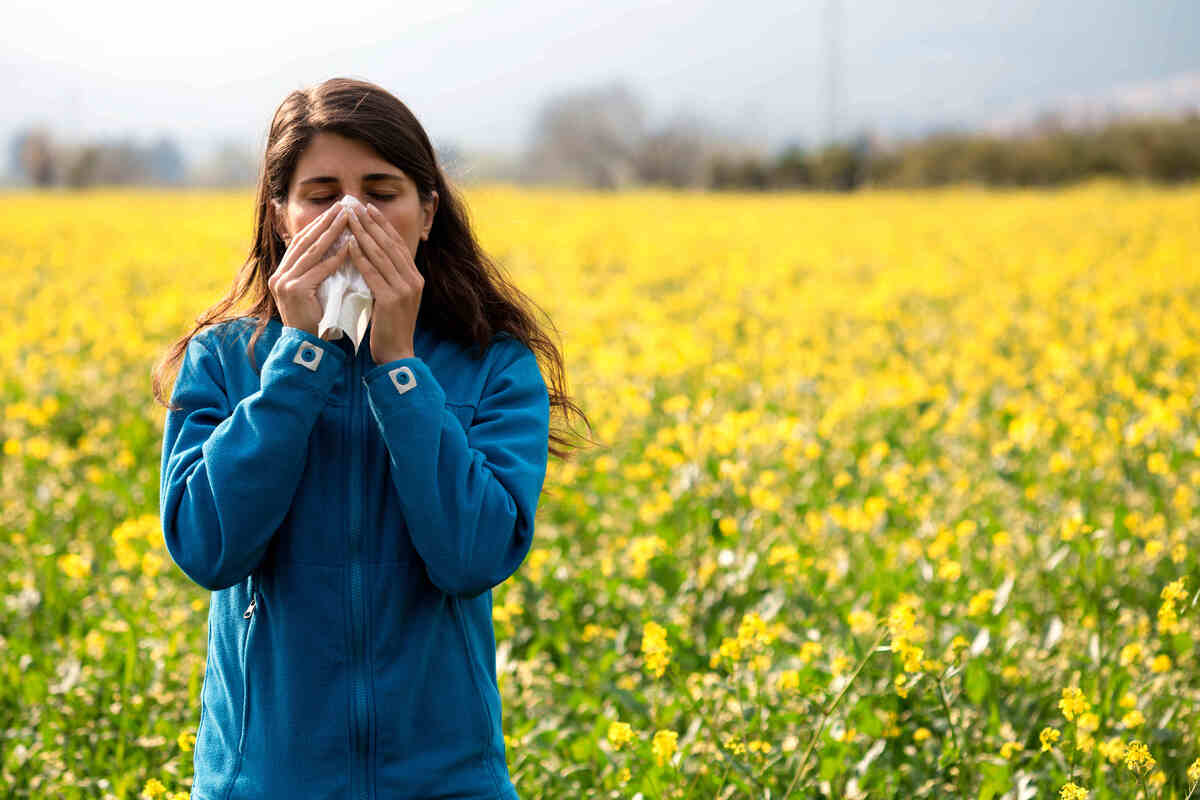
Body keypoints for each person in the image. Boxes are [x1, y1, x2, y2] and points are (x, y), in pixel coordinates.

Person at [152, 76, 591, 800]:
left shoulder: (493, 365)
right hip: (264, 783)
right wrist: (299, 357)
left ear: (427, 214)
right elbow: (207, 549)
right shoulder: (226, 361)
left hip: (447, 783)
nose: (351, 216)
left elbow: (473, 556)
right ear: (284, 219)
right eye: (321, 195)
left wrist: (399, 368)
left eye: (381, 191)